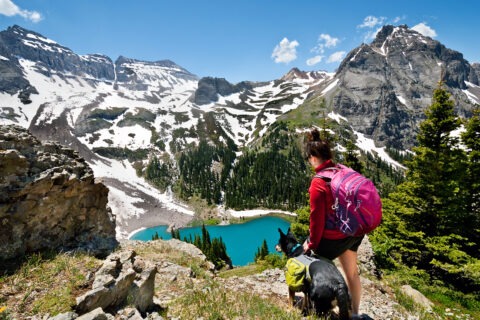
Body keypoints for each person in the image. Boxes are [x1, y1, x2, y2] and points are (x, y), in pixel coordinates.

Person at [302, 128, 364, 318]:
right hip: (354, 232)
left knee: (307, 258)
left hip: (335, 238)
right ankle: (354, 313)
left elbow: (316, 220)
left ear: (313, 157)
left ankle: (315, 305)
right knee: (352, 273)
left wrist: (311, 245)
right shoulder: (342, 170)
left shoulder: (318, 182)